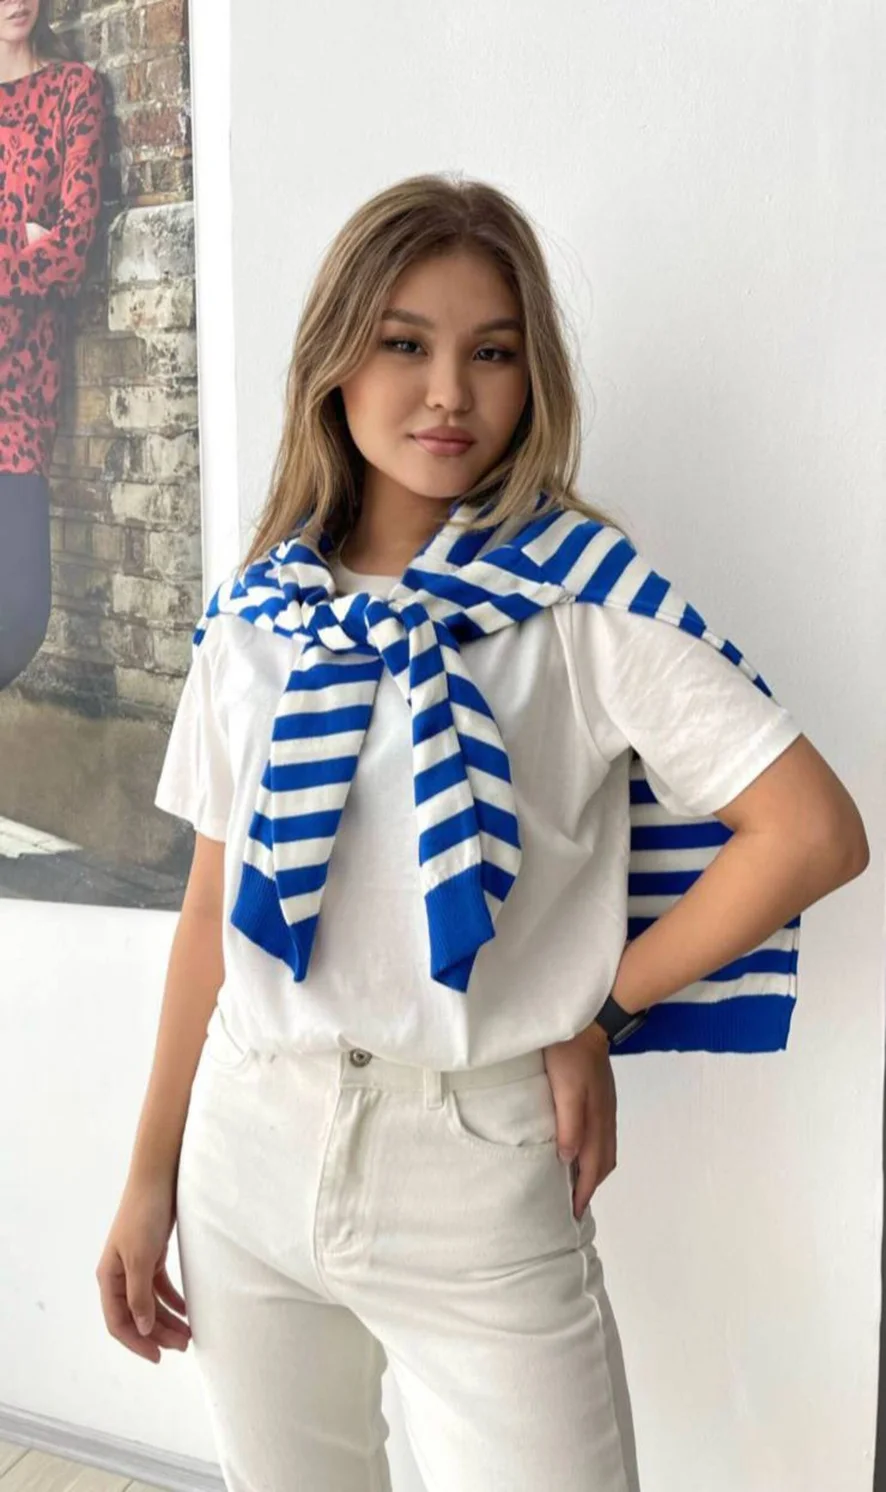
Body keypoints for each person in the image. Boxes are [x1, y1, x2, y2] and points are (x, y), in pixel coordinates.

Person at [96, 174, 869, 1491]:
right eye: (404, 342)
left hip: (475, 1167)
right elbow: (213, 907)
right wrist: (146, 1176)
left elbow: (809, 831)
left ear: (531, 378)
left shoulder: (578, 604)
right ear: (334, 361)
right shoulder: (257, 616)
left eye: (492, 352)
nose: (448, 391)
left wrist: (601, 1014)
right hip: (248, 1145)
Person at [0, 0, 105, 689]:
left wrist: (40, 240)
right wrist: (23, 235)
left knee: (20, 614)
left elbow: (71, 251)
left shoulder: (74, 90)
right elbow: (40, 249)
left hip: (19, 389)